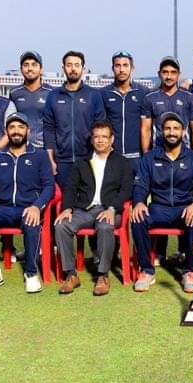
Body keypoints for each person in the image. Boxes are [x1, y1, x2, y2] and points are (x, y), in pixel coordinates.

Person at [0, 113, 54, 295]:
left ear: (28, 131)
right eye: (12, 127)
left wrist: (37, 206)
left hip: (27, 209)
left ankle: (31, 273)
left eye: (21, 127)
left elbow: (49, 187)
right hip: (2, 209)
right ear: (6, 132)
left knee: (31, 221)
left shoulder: (39, 155)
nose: (16, 131)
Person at [130, 113, 193, 294]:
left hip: (185, 208)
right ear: (161, 132)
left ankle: (190, 271)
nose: (171, 132)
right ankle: (147, 270)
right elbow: (140, 186)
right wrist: (139, 202)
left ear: (183, 132)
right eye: (167, 128)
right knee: (137, 219)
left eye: (175, 128)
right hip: (159, 208)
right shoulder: (150, 158)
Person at [54, 120, 134, 296]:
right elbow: (70, 188)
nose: (100, 140)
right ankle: (71, 274)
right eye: (96, 137)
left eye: (104, 137)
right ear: (91, 140)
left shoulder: (122, 163)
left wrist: (112, 209)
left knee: (105, 227)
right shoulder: (82, 162)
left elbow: (126, 190)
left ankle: (102, 275)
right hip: (84, 210)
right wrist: (66, 208)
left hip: (110, 209)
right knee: (61, 225)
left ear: (112, 139)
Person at [43, 50, 106, 189]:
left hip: (88, 159)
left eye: (77, 65)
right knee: (63, 202)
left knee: (87, 202)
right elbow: (48, 129)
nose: (73, 69)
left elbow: (101, 128)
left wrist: (99, 158)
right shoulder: (53, 96)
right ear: (63, 68)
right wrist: (51, 161)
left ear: (83, 69)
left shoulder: (93, 95)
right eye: (69, 65)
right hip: (62, 161)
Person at [140, 56, 193, 152]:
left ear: (178, 74)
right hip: (158, 154)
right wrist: (146, 156)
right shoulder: (150, 98)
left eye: (173, 72)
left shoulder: (190, 97)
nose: (169, 76)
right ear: (159, 74)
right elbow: (145, 130)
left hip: (184, 155)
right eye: (165, 72)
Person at [102, 50, 148, 169]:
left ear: (132, 68)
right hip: (111, 157)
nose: (121, 69)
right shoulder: (103, 93)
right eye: (118, 65)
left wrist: (146, 156)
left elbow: (147, 127)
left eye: (125, 65)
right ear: (112, 68)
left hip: (136, 158)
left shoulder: (143, 93)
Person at [8, 51, 53, 149]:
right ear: (21, 70)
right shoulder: (14, 93)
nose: (29, 69)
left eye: (34, 65)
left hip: (44, 149)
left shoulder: (51, 92)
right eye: (26, 65)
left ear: (41, 69)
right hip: (21, 148)